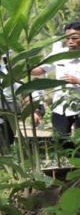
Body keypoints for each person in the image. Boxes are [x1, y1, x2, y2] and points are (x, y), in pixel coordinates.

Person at [32, 22, 80, 153]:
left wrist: (78, 81)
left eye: (75, 38)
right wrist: (26, 67)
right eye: (67, 38)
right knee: (61, 140)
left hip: (79, 105)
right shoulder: (59, 54)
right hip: (61, 105)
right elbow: (41, 70)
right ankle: (71, 166)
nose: (70, 41)